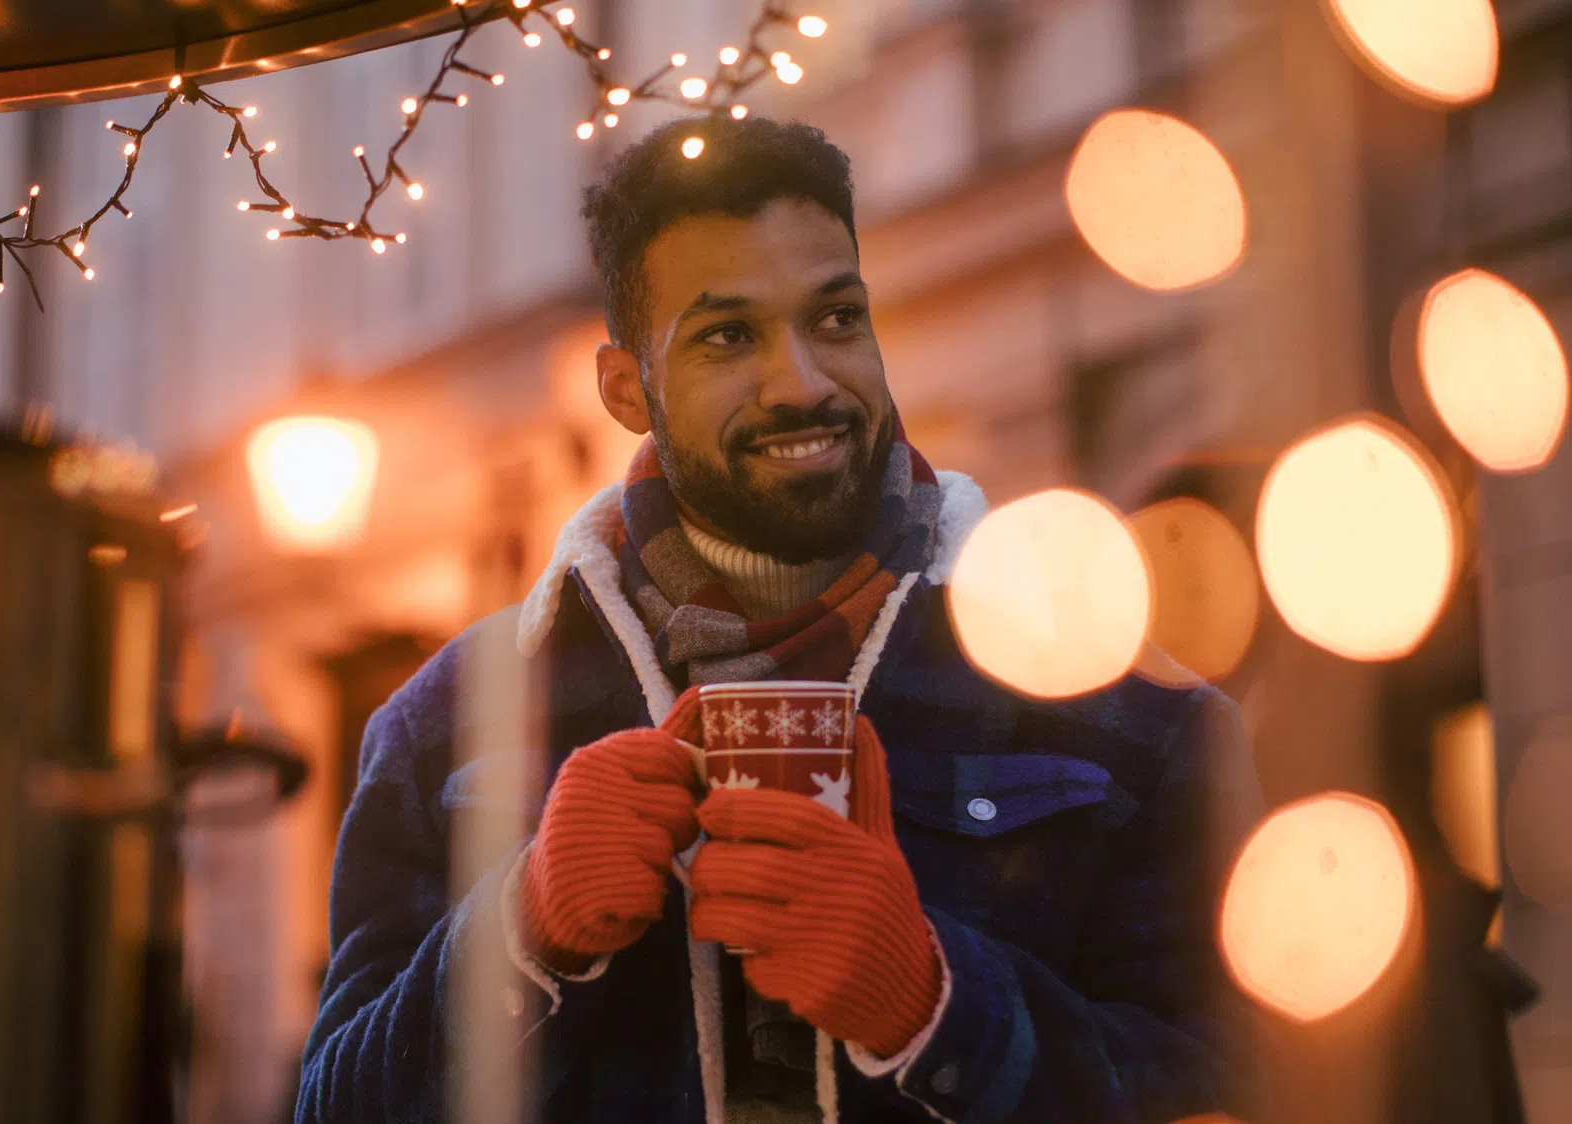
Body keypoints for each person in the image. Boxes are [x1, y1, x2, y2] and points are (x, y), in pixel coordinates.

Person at [297, 113, 1262, 1124]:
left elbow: (1252, 1089)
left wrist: (935, 1004)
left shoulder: (1120, 699)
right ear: (627, 388)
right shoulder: (446, 725)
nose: (801, 380)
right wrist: (520, 926)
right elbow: (331, 1107)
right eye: (726, 335)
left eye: (836, 317)